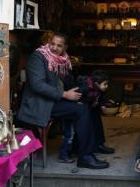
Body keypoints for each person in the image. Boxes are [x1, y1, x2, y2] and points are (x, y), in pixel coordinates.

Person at [17, 32, 109, 169]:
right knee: (81, 111)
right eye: (52, 44)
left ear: (65, 47)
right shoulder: (38, 57)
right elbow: (38, 85)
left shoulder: (62, 60)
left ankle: (93, 145)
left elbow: (64, 82)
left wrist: (79, 93)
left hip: (53, 100)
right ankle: (85, 156)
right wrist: (65, 94)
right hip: (40, 103)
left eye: (59, 46)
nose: (54, 48)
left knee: (89, 106)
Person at [77, 70, 115, 154]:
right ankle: (83, 149)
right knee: (87, 128)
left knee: (97, 124)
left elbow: (101, 96)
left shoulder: (98, 88)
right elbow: (79, 98)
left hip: (92, 107)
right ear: (97, 83)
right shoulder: (85, 87)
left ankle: (99, 145)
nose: (107, 86)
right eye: (105, 84)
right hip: (83, 109)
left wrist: (102, 104)